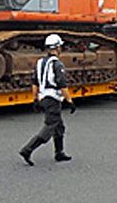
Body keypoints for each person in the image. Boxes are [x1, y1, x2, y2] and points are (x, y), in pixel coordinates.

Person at [19, 34, 76, 166]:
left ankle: (59, 153)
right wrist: (70, 101)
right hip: (53, 98)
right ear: (56, 47)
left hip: (43, 97)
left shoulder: (40, 62)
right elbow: (62, 84)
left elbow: (34, 82)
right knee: (50, 127)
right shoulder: (57, 64)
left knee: (59, 126)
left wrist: (35, 99)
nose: (61, 48)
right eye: (60, 46)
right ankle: (27, 150)